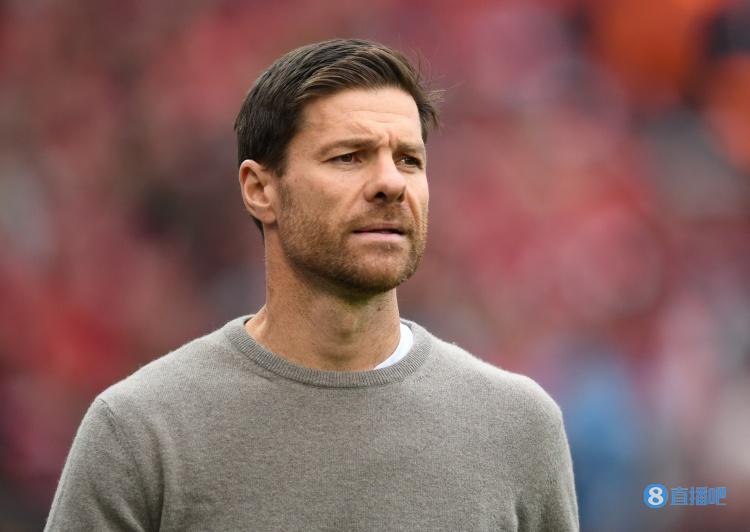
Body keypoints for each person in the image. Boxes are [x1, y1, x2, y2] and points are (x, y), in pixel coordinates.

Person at [45, 38, 579, 531]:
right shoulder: (141, 432)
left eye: (409, 160)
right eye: (349, 157)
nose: (391, 182)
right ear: (260, 190)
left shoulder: (519, 427)